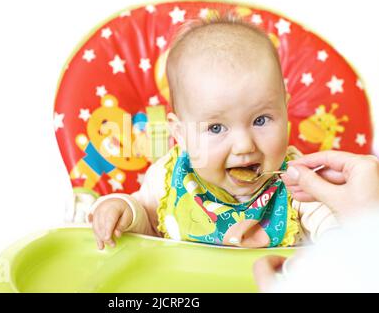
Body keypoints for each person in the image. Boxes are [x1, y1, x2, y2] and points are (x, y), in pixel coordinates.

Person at [87, 15, 338, 250]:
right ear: (182, 135)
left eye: (261, 120)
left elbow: (336, 228)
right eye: (216, 128)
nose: (243, 145)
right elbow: (147, 226)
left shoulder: (298, 181)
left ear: (284, 109)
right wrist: (122, 211)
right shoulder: (168, 178)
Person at [253, 150, 379, 292]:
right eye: (220, 128)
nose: (243, 145)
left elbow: (331, 226)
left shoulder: (294, 191)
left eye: (260, 125)